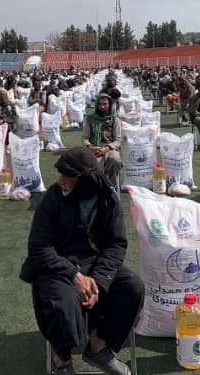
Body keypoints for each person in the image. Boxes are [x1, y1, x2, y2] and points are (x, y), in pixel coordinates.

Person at [20, 147, 143, 375]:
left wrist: (98, 281)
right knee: (63, 303)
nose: (60, 180)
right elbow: (39, 247)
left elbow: (116, 244)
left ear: (85, 180)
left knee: (132, 287)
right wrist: (75, 276)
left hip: (95, 264)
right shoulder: (53, 197)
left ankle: (98, 347)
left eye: (68, 175)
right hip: (56, 267)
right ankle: (61, 360)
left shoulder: (108, 200)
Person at [82, 94, 124, 186]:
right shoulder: (89, 119)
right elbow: (85, 138)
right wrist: (90, 146)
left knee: (115, 159)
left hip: (109, 149)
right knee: (88, 162)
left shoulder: (115, 120)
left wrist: (107, 148)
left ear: (109, 105)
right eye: (100, 104)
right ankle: (95, 186)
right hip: (93, 148)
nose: (102, 107)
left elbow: (118, 140)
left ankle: (110, 186)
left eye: (105, 104)